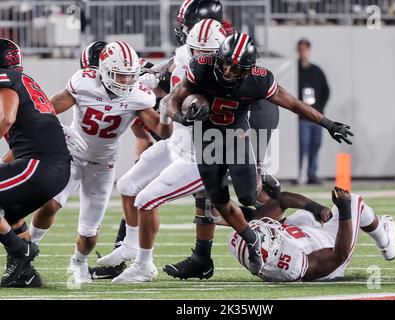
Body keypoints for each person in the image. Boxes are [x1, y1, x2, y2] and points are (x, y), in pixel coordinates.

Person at [167, 33, 353, 276]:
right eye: (225, 63)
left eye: (236, 68)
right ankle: (252, 239)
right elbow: (173, 100)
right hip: (206, 138)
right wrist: (182, 117)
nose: (228, 71)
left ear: (248, 69)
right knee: (219, 201)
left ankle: (258, 172)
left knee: (246, 196)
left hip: (236, 136)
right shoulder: (201, 68)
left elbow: (294, 104)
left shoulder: (259, 80)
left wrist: (328, 124)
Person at [94, 19, 227, 283]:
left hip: (201, 155)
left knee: (146, 199)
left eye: (206, 53)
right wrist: (154, 74)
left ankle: (144, 265)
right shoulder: (185, 57)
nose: (199, 56)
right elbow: (173, 67)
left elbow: (190, 101)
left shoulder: (221, 78)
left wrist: (175, 104)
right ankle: (130, 245)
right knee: (128, 184)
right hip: (177, 143)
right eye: (195, 50)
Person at [28, 41, 172, 284]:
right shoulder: (84, 82)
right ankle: (27, 251)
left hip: (103, 165)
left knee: (89, 233)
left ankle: (79, 262)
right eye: (120, 75)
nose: (125, 82)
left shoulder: (139, 94)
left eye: (130, 77)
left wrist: (167, 113)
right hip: (72, 156)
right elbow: (46, 110)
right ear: (103, 71)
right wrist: (63, 131)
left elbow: (162, 131)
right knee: (50, 205)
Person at [0, 38, 71, 287]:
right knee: (8, 213)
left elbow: (6, 119)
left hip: (39, 166)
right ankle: (26, 274)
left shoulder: (4, 79)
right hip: (52, 168)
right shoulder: (24, 82)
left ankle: (20, 251)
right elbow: (25, 139)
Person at [228, 187, 395, 282]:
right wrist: (344, 207)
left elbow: (282, 199)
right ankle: (385, 242)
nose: (272, 226)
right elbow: (338, 256)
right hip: (329, 251)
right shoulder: (293, 264)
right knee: (353, 200)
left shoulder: (241, 242)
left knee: (302, 215)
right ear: (273, 248)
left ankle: (317, 216)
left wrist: (316, 208)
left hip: (302, 240)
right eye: (271, 232)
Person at [297, 38, 330, 184]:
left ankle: (312, 174)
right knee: (301, 146)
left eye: (305, 49)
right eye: (300, 49)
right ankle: (299, 174)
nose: (303, 52)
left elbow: (326, 91)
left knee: (315, 145)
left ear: (309, 51)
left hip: (316, 117)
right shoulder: (294, 69)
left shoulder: (317, 71)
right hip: (301, 118)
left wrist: (319, 109)